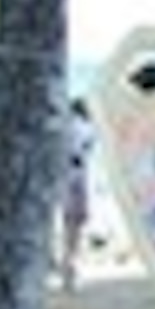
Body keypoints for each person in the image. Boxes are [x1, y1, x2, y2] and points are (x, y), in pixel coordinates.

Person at [58, 101, 93, 290]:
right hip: (76, 177)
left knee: (70, 227)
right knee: (74, 227)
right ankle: (70, 270)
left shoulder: (66, 126)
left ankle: (69, 270)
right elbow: (80, 153)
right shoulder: (82, 127)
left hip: (69, 177)